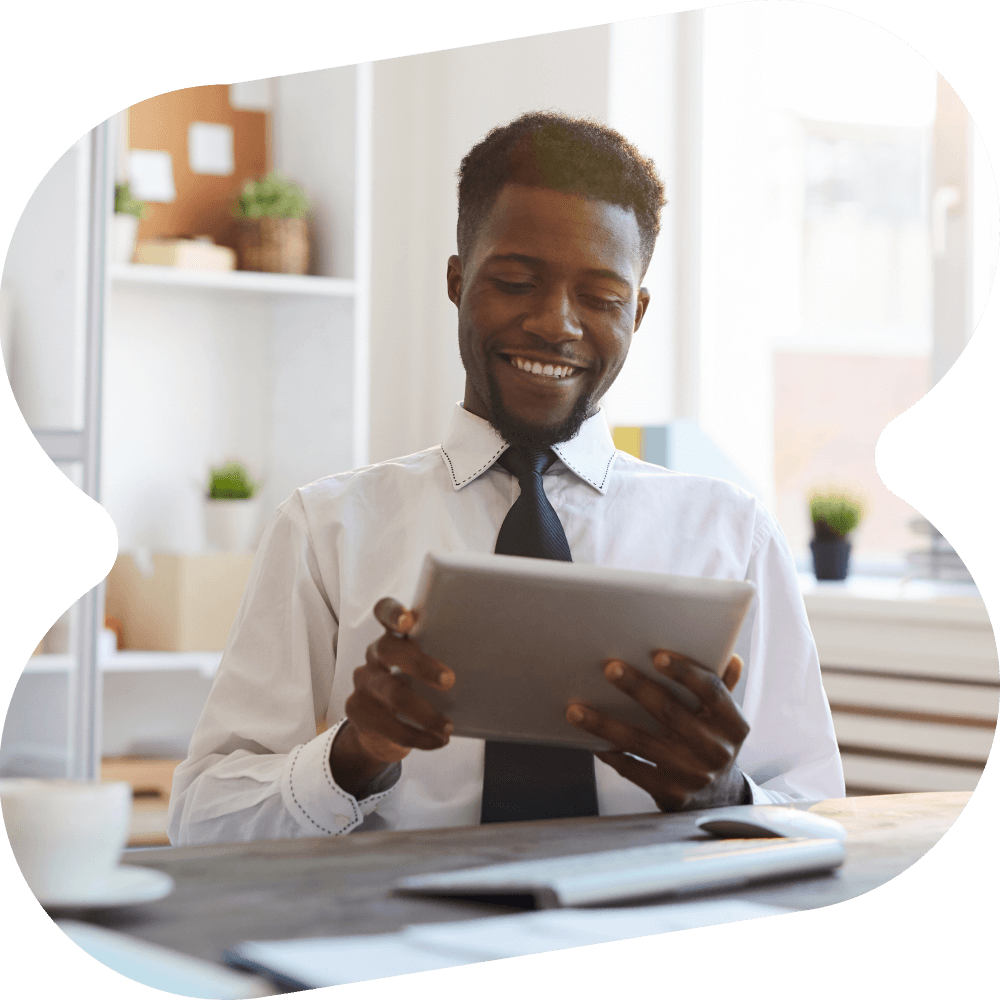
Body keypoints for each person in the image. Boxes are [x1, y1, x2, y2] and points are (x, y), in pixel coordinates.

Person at [168, 112, 844, 846]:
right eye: (518, 282)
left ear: (638, 312)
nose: (556, 324)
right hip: (399, 941)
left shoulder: (731, 534)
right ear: (458, 281)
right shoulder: (327, 530)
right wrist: (354, 755)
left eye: (601, 298)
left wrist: (722, 792)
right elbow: (202, 821)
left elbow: (820, 818)